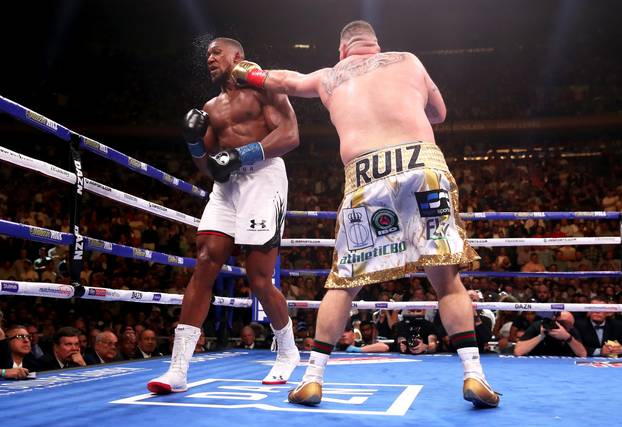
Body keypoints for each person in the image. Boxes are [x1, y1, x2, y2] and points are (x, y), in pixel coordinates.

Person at [234, 20, 498, 407]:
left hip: (364, 176)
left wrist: (244, 72)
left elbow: (284, 81)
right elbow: (439, 113)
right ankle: (474, 375)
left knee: (343, 283)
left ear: (342, 50)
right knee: (447, 282)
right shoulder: (408, 60)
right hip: (422, 169)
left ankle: (313, 379)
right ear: (375, 45)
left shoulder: (329, 76)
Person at [147, 37, 300, 394]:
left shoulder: (265, 89)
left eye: (217, 53)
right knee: (204, 261)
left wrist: (244, 154)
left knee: (259, 277)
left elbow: (291, 134)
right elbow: (210, 168)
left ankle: (288, 351)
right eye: (207, 55)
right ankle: (178, 369)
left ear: (238, 57)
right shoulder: (210, 107)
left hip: (263, 176)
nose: (210, 59)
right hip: (227, 186)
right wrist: (194, 141)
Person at [514, 311, 587, 357]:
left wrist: (567, 337)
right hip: (537, 364)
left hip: (563, 365)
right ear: (554, 320)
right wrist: (541, 336)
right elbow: (518, 352)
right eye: (559, 323)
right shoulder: (539, 326)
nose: (560, 326)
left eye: (565, 325)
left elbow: (583, 354)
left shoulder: (571, 331)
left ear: (571, 326)